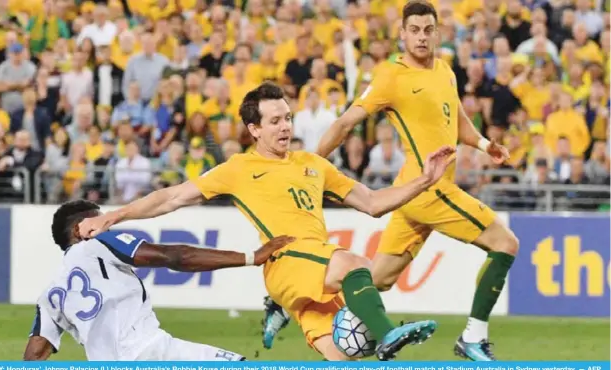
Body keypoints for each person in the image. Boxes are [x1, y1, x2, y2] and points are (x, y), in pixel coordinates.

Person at [77, 83, 456, 361]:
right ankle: (389, 334)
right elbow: (172, 197)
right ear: (254, 129)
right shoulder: (240, 168)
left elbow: (373, 203)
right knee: (358, 265)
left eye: (288, 118)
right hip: (286, 259)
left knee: (343, 357)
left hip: (313, 265)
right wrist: (115, 215)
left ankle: (374, 336)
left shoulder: (314, 164)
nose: (285, 127)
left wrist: (424, 180)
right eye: (275, 121)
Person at [261, 1, 519, 362]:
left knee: (376, 279)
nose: (421, 37)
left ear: (438, 32)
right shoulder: (391, 77)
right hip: (429, 190)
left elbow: (457, 120)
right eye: (414, 30)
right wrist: (311, 169)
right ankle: (473, 338)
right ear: (401, 34)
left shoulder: (445, 70)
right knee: (505, 243)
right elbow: (345, 123)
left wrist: (483, 143)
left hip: (412, 193)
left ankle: (288, 301)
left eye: (428, 30)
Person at [23, 200, 294, 361]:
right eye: (100, 220)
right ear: (79, 230)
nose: (107, 225)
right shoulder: (98, 243)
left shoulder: (50, 295)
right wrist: (251, 257)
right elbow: (173, 256)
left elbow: (34, 355)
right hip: (153, 354)